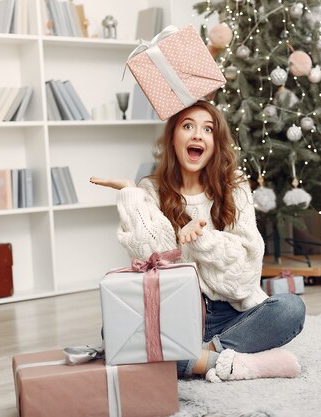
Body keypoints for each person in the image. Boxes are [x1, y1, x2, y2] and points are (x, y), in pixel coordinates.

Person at [91, 100, 305, 382]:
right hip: (177, 313)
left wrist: (201, 238)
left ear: (216, 143)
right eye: (187, 126)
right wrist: (132, 196)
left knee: (291, 309)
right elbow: (147, 257)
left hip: (232, 311)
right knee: (114, 333)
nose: (197, 135)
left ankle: (197, 357)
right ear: (172, 138)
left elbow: (247, 272)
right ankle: (231, 363)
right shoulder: (150, 190)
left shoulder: (235, 186)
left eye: (208, 129)